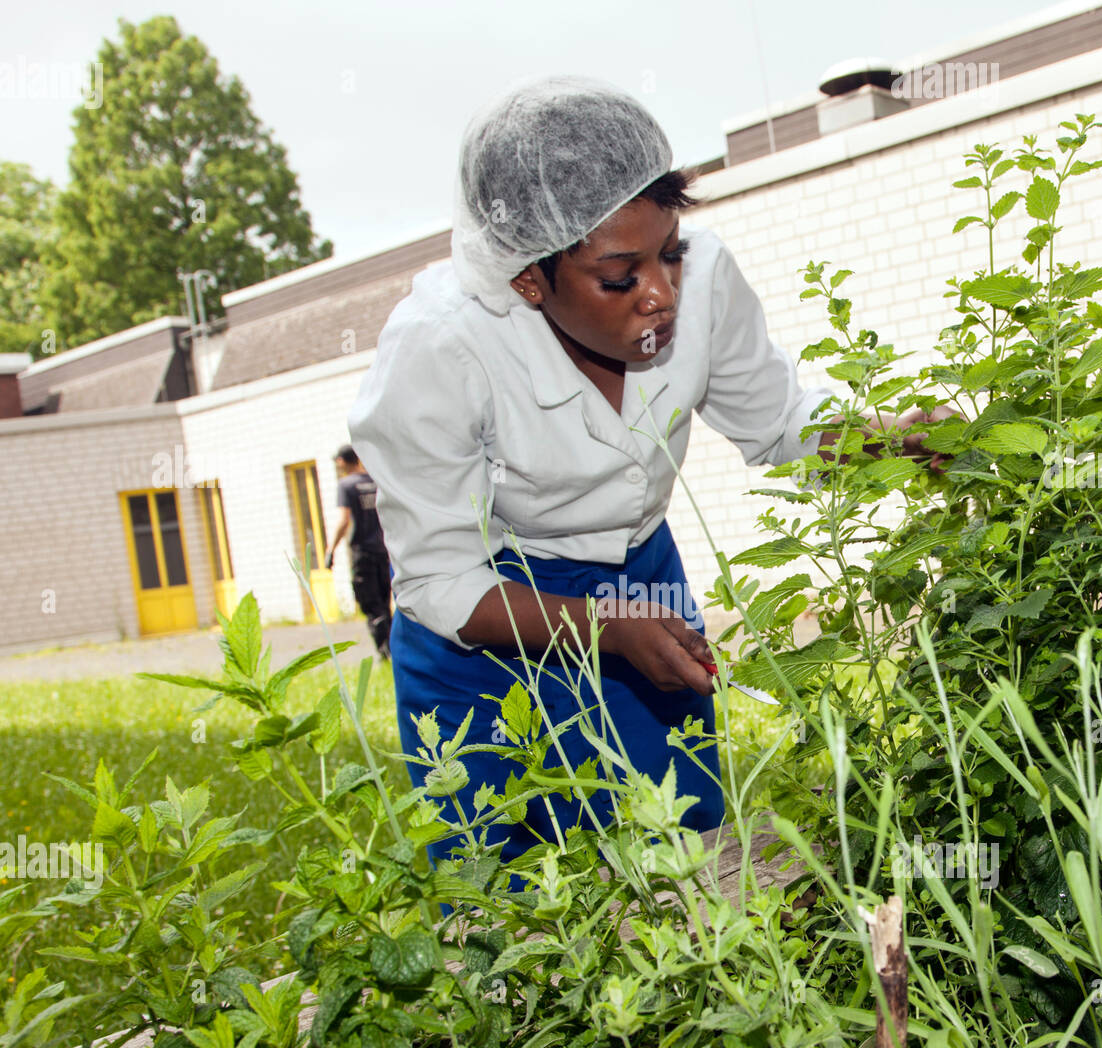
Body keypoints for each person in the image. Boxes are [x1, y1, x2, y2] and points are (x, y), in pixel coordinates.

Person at [348, 76, 943, 887]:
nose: (661, 292)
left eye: (668, 251)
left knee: (681, 862)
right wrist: (607, 630)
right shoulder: (440, 350)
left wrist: (891, 439)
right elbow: (442, 582)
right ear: (530, 279)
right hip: (488, 625)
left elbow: (776, 419)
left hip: (640, 580)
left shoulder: (703, 281)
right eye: (619, 276)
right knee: (507, 894)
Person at [327, 445, 393, 660]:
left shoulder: (346, 486)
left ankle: (385, 652)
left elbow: (343, 520)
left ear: (343, 462)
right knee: (384, 603)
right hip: (384, 550)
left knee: (371, 604)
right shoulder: (375, 481)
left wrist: (330, 550)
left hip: (363, 552)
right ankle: (394, 649)